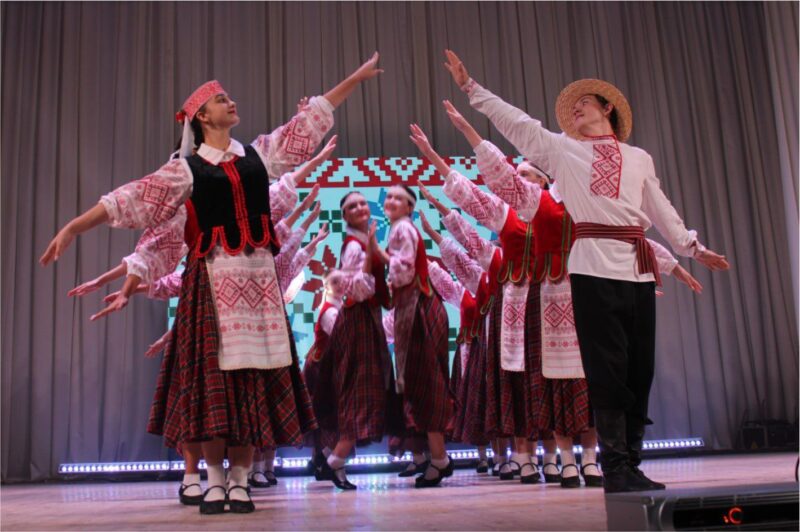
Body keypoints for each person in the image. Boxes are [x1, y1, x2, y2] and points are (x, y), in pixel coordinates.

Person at [40, 53, 384, 512]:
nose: (231, 102)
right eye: (221, 99)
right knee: (214, 383)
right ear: (201, 117)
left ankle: (240, 477)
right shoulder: (186, 169)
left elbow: (309, 122)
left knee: (251, 383)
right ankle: (215, 478)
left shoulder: (259, 155)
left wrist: (354, 79)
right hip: (213, 282)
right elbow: (131, 198)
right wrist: (74, 226)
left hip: (259, 287)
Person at [443, 49, 729, 492]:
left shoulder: (638, 158)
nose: (575, 110)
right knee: (606, 368)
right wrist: (471, 88)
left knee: (639, 368)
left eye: (583, 103)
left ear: (607, 108)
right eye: (571, 107)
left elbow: (658, 206)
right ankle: (615, 467)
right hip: (592, 267)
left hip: (636, 268)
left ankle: (632, 460)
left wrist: (691, 246)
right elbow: (520, 124)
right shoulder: (564, 151)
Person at [382, 184, 455, 488]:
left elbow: (403, 270)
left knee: (425, 382)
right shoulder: (400, 230)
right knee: (423, 383)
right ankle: (436, 457)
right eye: (389, 196)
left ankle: (439, 458)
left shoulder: (402, 229)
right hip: (417, 307)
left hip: (418, 308)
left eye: (399, 198)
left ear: (409, 207)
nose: (391, 200)